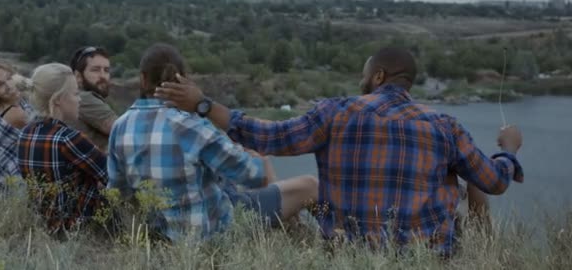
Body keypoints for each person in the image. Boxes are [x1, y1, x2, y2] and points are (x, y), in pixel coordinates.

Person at [155, 47, 524, 256]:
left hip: (349, 256)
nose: (360, 82)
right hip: (425, 259)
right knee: (470, 177)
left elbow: (267, 136)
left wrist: (203, 104)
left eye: (364, 75)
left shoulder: (335, 113)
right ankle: (486, 257)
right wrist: (508, 151)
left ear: (378, 76)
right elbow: (495, 182)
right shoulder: (445, 126)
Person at [107, 43, 318, 241]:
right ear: (184, 81)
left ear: (142, 79)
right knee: (307, 184)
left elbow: (118, 192)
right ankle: (331, 242)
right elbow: (252, 176)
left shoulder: (120, 126)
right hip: (212, 233)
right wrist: (251, 155)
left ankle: (292, 232)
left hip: (158, 235)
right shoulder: (191, 126)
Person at [18, 63, 107, 232]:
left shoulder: (24, 134)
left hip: (42, 228)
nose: (79, 99)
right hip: (78, 230)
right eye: (75, 94)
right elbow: (112, 176)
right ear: (58, 99)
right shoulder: (69, 138)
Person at [69, 46, 117, 151]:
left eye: (106, 70)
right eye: (95, 70)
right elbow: (124, 130)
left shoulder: (74, 97)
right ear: (78, 76)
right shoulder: (83, 98)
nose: (103, 76)